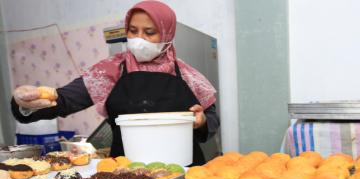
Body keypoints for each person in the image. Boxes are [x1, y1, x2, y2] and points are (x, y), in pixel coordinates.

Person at [11, 0, 219, 165]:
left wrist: (201, 122)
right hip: (125, 172)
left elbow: (211, 117)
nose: (139, 39)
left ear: (167, 35)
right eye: (133, 30)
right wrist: (27, 103)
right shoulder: (110, 71)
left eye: (149, 33)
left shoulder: (188, 75)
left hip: (183, 169)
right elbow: (63, 99)